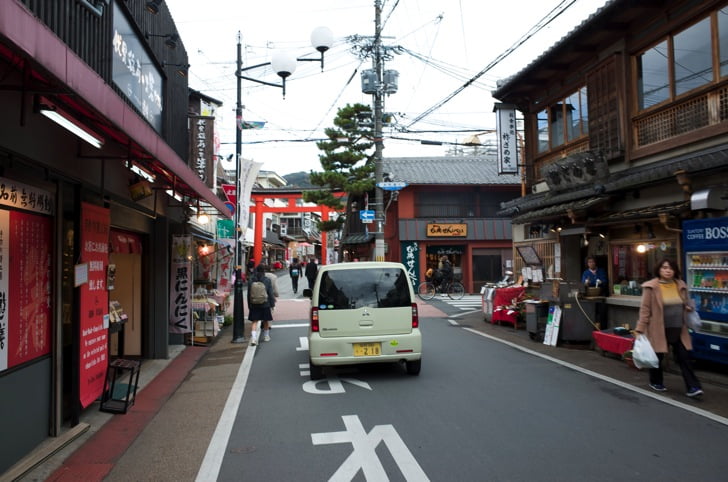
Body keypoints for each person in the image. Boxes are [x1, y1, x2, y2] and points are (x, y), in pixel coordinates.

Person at [635, 258, 703, 398]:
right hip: (658, 329)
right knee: (657, 357)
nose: (667, 270)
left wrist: (688, 307)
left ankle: (693, 387)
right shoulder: (651, 287)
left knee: (684, 357)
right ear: (659, 270)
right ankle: (655, 381)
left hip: (678, 328)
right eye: (664, 267)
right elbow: (645, 309)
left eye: (670, 268)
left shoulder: (680, 285)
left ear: (675, 271)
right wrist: (640, 329)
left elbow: (686, 302)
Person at [247, 264, 275, 346]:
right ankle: (266, 336)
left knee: (254, 321)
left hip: (254, 303)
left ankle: (254, 338)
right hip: (265, 303)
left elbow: (249, 294)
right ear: (264, 271)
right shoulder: (267, 280)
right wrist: (272, 304)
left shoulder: (251, 280)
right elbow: (270, 293)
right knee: (265, 320)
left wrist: (249, 305)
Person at [261, 265, 279, 342]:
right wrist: (276, 294)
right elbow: (275, 287)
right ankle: (268, 325)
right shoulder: (273, 276)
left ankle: (263, 322)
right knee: (269, 309)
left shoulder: (259, 275)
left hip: (259, 295)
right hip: (269, 295)